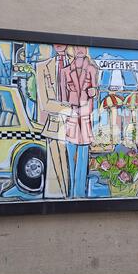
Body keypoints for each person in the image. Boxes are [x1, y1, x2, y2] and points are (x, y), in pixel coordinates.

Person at [60, 46, 98, 198]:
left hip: (85, 116)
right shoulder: (65, 71)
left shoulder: (92, 69)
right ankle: (71, 192)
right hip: (71, 115)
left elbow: (95, 90)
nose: (80, 50)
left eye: (82, 47)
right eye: (76, 47)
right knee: (70, 153)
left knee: (83, 155)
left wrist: (93, 92)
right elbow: (63, 96)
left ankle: (80, 192)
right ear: (73, 50)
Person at [36, 44, 72, 198]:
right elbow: (45, 103)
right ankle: (58, 198)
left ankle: (72, 197)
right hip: (54, 124)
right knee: (55, 168)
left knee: (72, 165)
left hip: (76, 125)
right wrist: (69, 108)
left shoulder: (79, 64)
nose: (59, 45)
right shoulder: (42, 67)